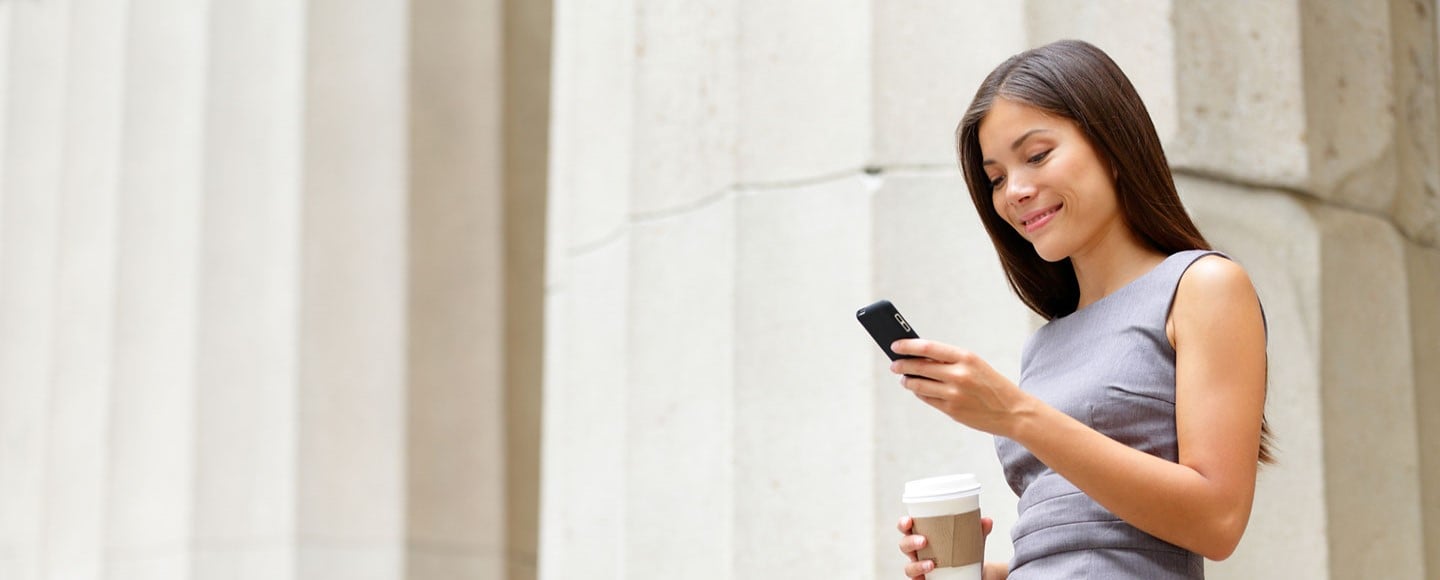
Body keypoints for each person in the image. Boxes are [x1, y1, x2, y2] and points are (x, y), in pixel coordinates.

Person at [892, 39, 1273, 579]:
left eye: (1037, 155)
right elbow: (1083, 543)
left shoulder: (1203, 286)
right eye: (996, 178)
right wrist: (979, 573)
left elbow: (1218, 521)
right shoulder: (1046, 343)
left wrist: (1015, 414)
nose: (1014, 192)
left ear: (1112, 146)